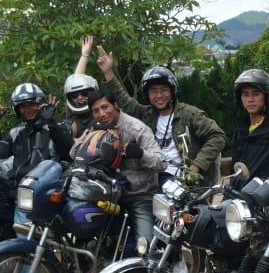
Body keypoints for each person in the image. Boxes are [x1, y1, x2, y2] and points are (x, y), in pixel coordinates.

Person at [94, 42, 226, 185]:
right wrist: (108, 72)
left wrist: (197, 166)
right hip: (154, 176)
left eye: (164, 89)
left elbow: (218, 136)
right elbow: (124, 101)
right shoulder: (147, 114)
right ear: (147, 94)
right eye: (153, 91)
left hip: (184, 181)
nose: (159, 95)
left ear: (172, 91)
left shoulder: (189, 114)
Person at [83, 90, 166, 246]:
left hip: (140, 196)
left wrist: (140, 153)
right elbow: (74, 152)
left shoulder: (137, 129)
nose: (102, 113)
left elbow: (161, 163)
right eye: (96, 110)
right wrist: (92, 138)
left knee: (146, 246)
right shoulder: (95, 128)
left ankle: (171, 260)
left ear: (115, 105)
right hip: (107, 195)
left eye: (105, 107)